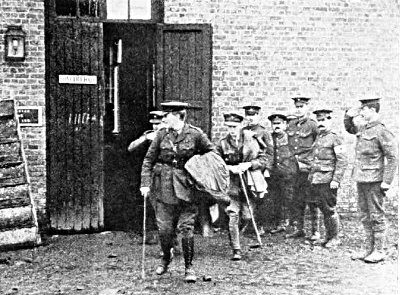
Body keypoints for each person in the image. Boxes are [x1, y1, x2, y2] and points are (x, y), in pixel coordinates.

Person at [140, 101, 215, 282]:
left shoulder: (196, 134)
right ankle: (166, 257)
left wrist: (200, 171)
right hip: (163, 187)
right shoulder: (161, 135)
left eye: (167, 115)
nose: (164, 118)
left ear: (179, 116)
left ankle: (189, 267)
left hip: (187, 189)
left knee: (186, 229)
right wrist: (145, 183)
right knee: (165, 230)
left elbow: (212, 154)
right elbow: (148, 160)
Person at [344, 98, 398, 263]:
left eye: (364, 109)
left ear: (373, 110)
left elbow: (393, 158)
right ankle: (367, 248)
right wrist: (348, 115)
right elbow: (349, 127)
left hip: (375, 180)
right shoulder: (363, 128)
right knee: (364, 215)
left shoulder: (382, 131)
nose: (361, 112)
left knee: (376, 215)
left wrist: (387, 182)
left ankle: (379, 250)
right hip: (361, 178)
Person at [127, 111, 181, 255]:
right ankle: (166, 245)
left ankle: (173, 241)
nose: (157, 126)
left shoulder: (171, 135)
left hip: (170, 177)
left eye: (160, 123)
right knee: (159, 211)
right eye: (154, 124)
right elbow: (131, 148)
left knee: (173, 210)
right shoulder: (150, 135)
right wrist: (145, 138)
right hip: (153, 177)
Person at [216, 112, 268, 260]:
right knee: (233, 214)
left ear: (240, 125)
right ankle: (236, 249)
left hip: (248, 182)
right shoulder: (222, 143)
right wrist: (229, 168)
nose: (232, 130)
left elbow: (264, 158)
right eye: (229, 127)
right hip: (231, 185)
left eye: (234, 126)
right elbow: (216, 162)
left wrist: (249, 164)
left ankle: (235, 234)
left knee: (246, 216)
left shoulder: (252, 139)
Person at [307, 109, 347, 248]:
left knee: (329, 209)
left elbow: (342, 161)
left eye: (324, 120)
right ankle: (327, 237)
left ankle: (335, 237)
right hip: (317, 178)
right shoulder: (319, 137)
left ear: (330, 120)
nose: (321, 123)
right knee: (323, 208)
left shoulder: (335, 138)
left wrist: (336, 179)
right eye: (319, 120)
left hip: (328, 180)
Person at [285, 97, 320, 240]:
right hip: (294, 167)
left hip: (308, 167)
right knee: (297, 199)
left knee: (312, 199)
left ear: (307, 107)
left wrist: (311, 161)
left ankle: (315, 230)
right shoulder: (291, 124)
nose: (299, 109)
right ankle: (299, 229)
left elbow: (318, 145)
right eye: (297, 106)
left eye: (302, 106)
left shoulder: (313, 125)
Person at [241, 105, 274, 235]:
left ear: (258, 116)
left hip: (258, 169)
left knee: (259, 198)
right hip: (244, 168)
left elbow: (270, 153)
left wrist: (267, 169)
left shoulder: (263, 132)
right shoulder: (242, 130)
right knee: (245, 196)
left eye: (253, 115)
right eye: (248, 115)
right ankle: (247, 224)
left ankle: (259, 226)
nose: (250, 118)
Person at [268, 113, 299, 234]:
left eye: (279, 124)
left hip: (289, 174)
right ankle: (281, 222)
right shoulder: (270, 138)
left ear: (285, 125)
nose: (276, 126)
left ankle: (292, 223)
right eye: (274, 124)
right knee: (277, 198)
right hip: (275, 174)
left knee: (290, 198)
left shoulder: (291, 138)